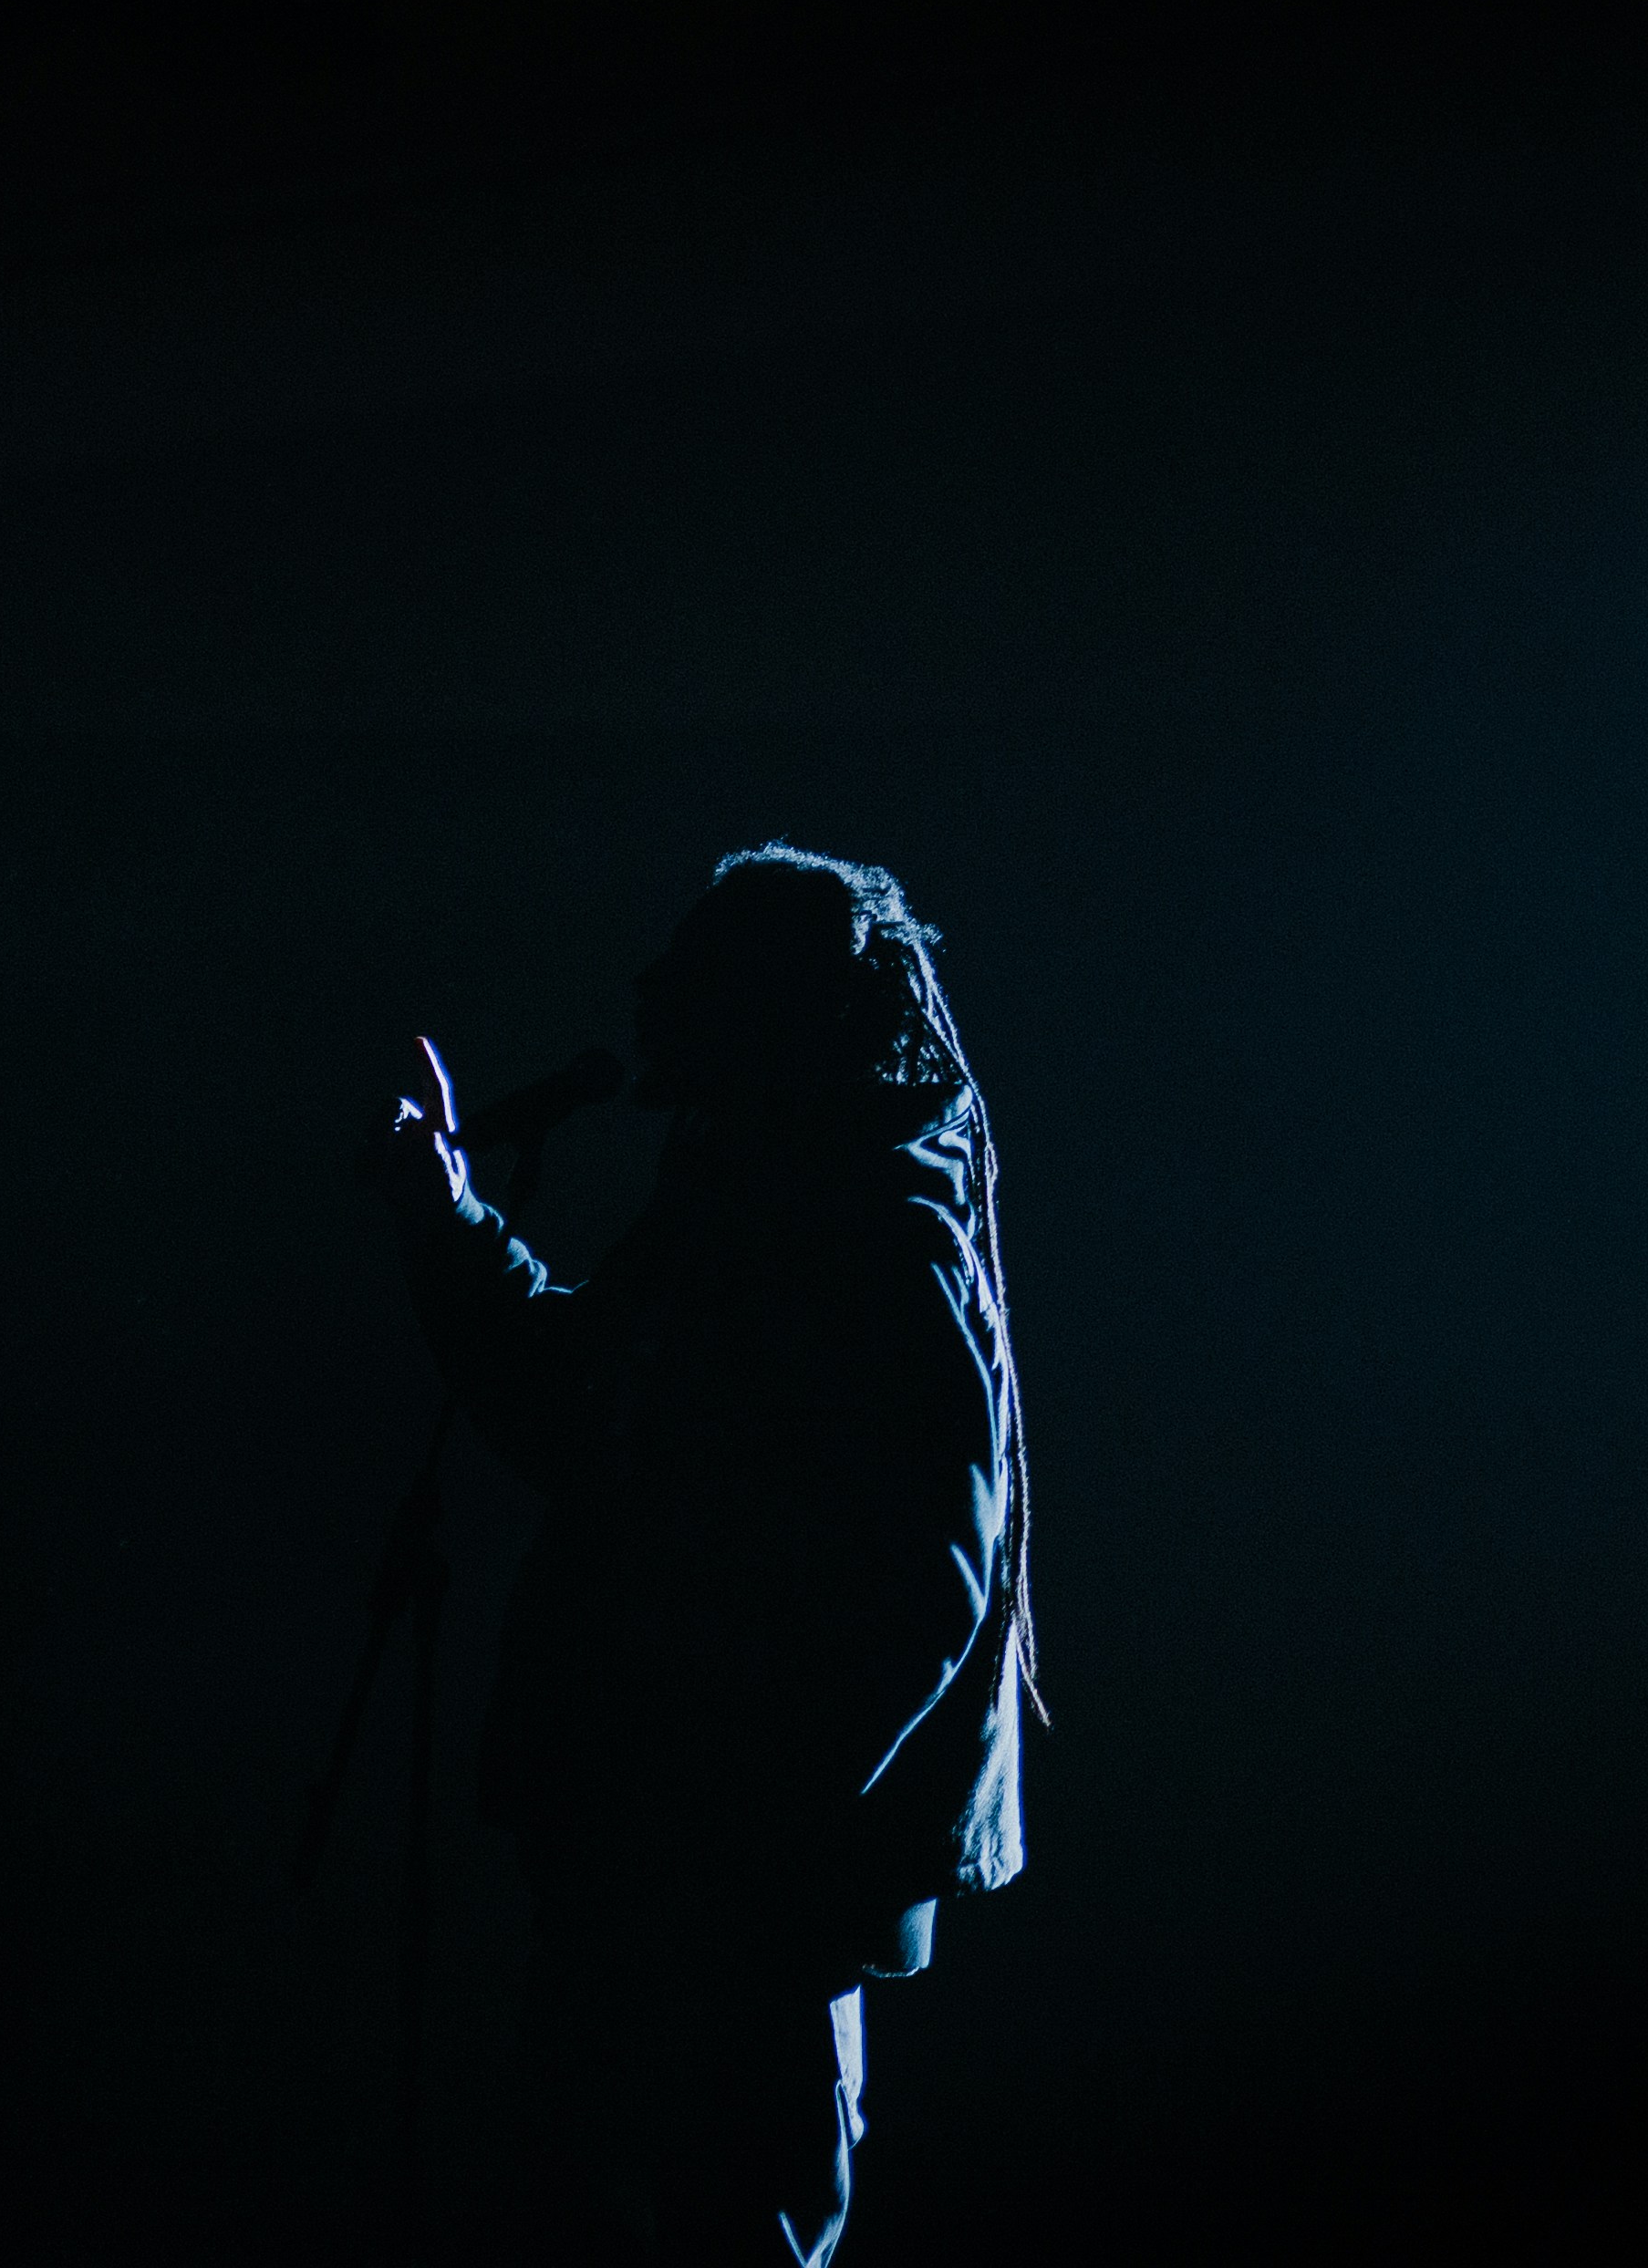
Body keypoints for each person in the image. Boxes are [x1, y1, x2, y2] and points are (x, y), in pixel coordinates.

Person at [368, 843, 1036, 2263]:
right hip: (658, 1870)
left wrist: (742, 1828)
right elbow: (578, 1404)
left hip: (730, 1899)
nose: (651, 990)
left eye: (694, 967)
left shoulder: (866, 1235)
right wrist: (450, 1225)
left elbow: (933, 1575)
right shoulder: (743, 1212)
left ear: (771, 1003)